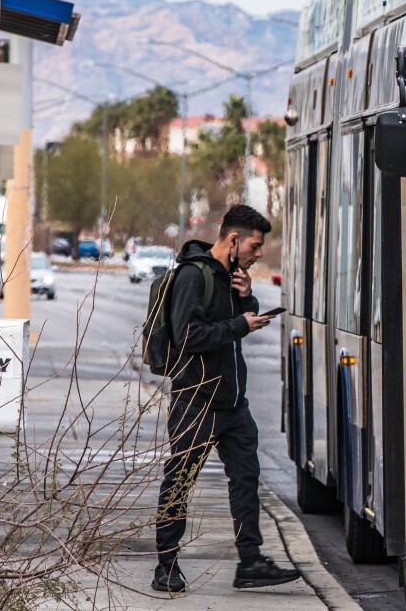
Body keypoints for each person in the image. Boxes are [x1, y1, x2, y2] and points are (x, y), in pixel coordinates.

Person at [152, 205, 300, 593]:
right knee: (180, 481)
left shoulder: (232, 277)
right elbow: (189, 337)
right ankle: (166, 566)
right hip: (196, 401)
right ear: (233, 240)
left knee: (246, 480)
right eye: (254, 245)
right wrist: (239, 323)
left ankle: (250, 562)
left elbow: (234, 325)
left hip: (233, 405)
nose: (259, 253)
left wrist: (247, 302)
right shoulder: (192, 276)